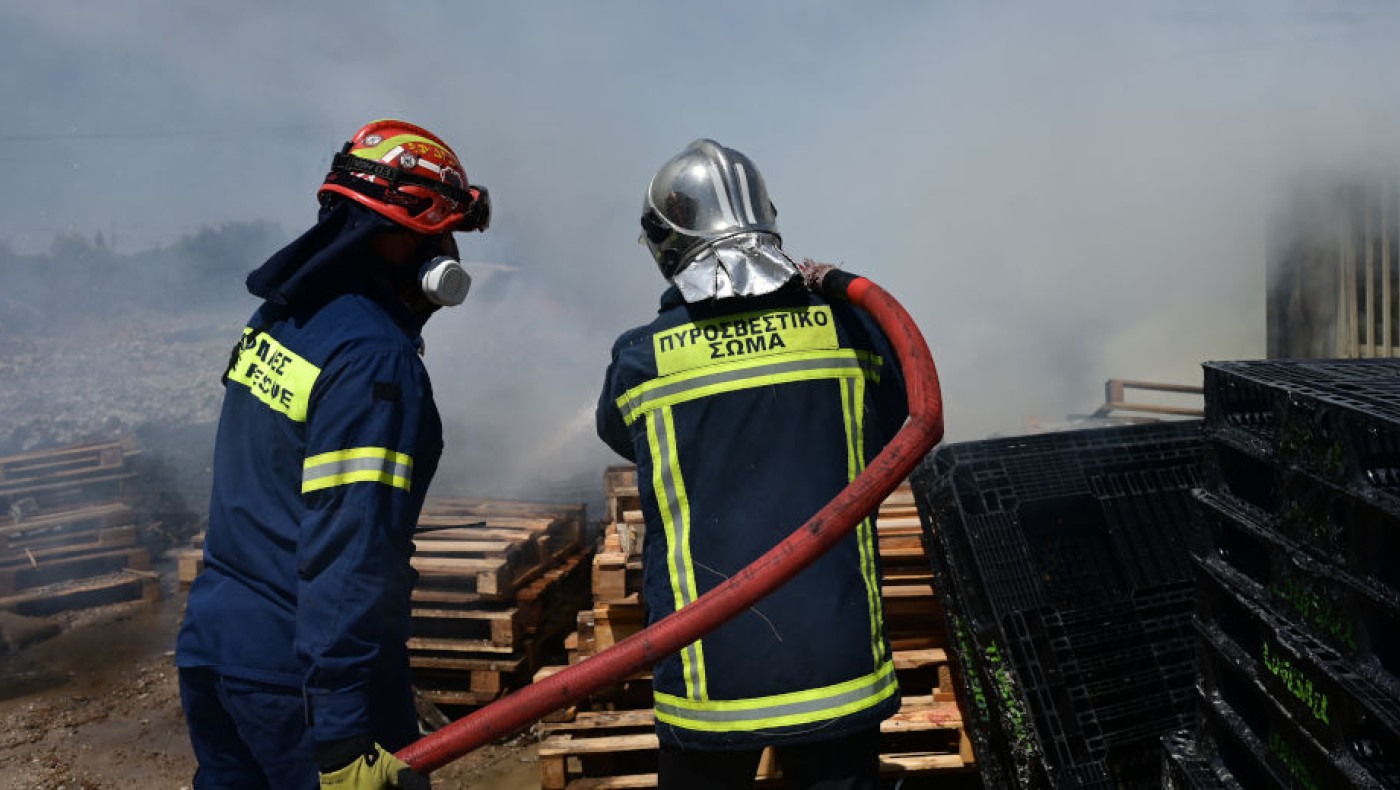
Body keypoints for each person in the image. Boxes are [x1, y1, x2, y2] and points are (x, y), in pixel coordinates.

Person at [176, 119, 491, 790]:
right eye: (444, 231)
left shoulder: (285, 315)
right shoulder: (374, 359)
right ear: (406, 234)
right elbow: (348, 549)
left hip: (214, 646)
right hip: (303, 681)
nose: (451, 248)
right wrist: (343, 732)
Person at [595, 139, 909, 790]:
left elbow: (622, 436)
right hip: (837, 664)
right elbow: (898, 414)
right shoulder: (852, 331)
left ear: (666, 245)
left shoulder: (640, 360)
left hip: (710, 670)